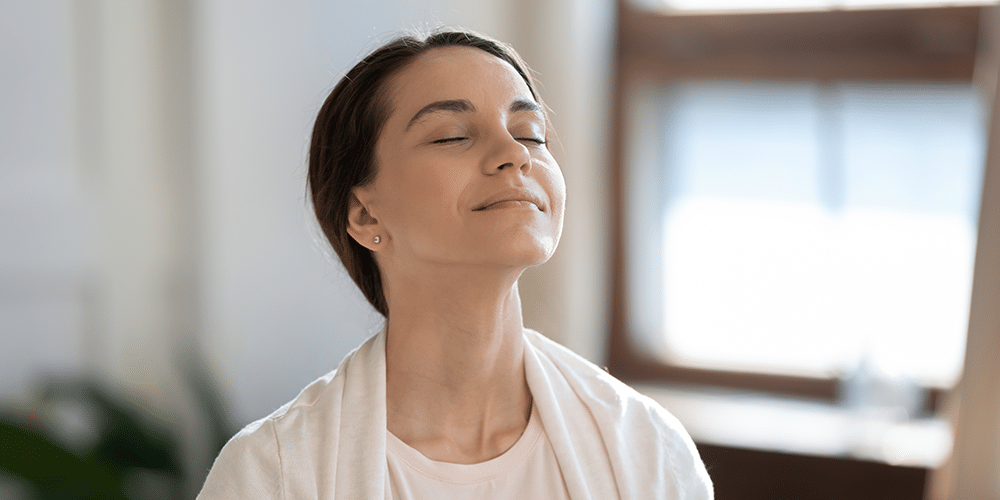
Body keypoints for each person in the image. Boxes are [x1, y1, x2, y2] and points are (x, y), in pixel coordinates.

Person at [197, 28, 713, 499]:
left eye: (530, 132)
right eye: (451, 136)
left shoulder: (648, 450)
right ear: (363, 212)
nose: (515, 155)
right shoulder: (272, 476)